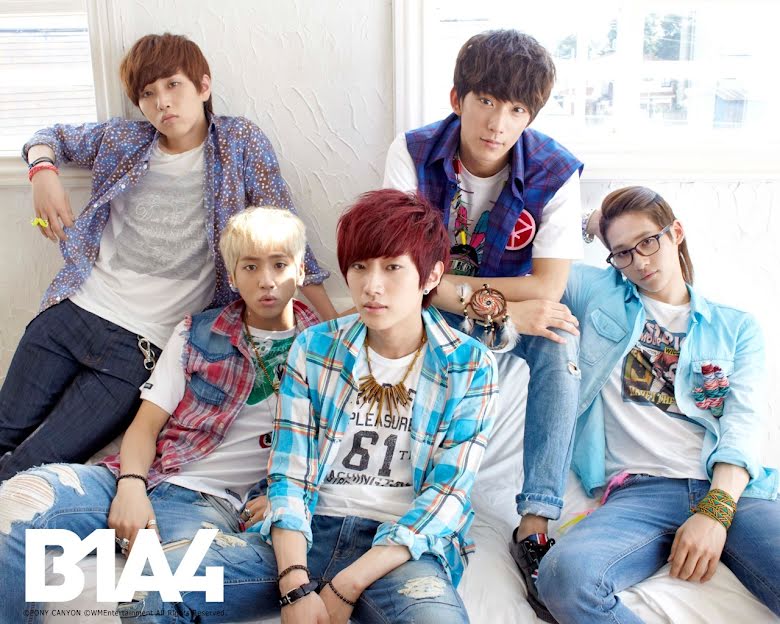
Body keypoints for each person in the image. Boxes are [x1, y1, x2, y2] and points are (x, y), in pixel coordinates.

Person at [97, 189, 497, 624]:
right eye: (359, 267)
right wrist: (295, 585)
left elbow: (447, 496)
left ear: (432, 275)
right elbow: (290, 476)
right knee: (150, 591)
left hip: (398, 551)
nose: (371, 286)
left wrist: (347, 585)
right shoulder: (316, 347)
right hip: (305, 533)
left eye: (392, 267)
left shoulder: (470, 365)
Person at [0, 33, 336, 482]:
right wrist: (42, 173)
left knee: (31, 467)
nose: (162, 102)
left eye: (173, 85)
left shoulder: (239, 142)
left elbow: (288, 236)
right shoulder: (124, 139)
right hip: (72, 315)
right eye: (148, 93)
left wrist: (336, 328)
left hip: (142, 349)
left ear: (203, 85)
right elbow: (48, 137)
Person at [0, 206, 320, 623]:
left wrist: (281, 499)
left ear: (300, 268)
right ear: (232, 275)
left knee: (155, 589)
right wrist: (131, 488)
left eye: (279, 265)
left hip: (209, 507)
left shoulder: (327, 353)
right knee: (18, 501)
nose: (266, 280)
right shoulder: (196, 333)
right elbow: (145, 426)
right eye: (250, 266)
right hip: (144, 476)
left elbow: (337, 450)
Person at [383, 28, 583, 617]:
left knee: (560, 341)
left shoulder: (555, 170)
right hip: (430, 309)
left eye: (517, 109)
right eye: (487, 101)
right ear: (458, 99)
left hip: (465, 302)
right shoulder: (413, 152)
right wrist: (498, 305)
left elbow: (548, 287)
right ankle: (414, 502)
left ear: (531, 116)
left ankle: (535, 524)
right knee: (395, 318)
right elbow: (399, 272)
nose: (498, 123)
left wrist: (468, 296)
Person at [535, 186, 780, 622]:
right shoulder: (598, 294)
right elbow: (531, 249)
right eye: (623, 253)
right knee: (563, 577)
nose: (640, 262)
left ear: (676, 233)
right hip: (639, 494)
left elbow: (744, 422)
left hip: (729, 490)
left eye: (648, 242)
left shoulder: (736, 327)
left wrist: (716, 512)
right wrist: (591, 223)